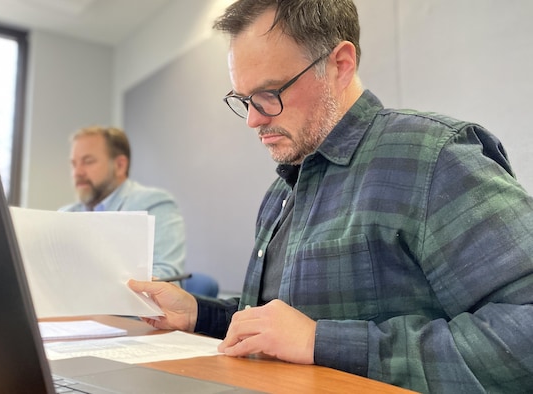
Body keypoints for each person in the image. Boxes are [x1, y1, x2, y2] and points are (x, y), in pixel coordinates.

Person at [128, 1, 533, 392]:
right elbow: (275, 326)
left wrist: (322, 342)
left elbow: (524, 331)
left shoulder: (434, 158)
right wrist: (197, 313)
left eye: (270, 92)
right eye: (244, 99)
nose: (253, 118)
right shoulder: (280, 194)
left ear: (340, 65)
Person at [59, 126, 186, 280]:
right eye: (73, 164)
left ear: (120, 165)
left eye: (88, 161)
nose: (77, 172)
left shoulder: (154, 204)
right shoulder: (65, 215)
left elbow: (166, 276)